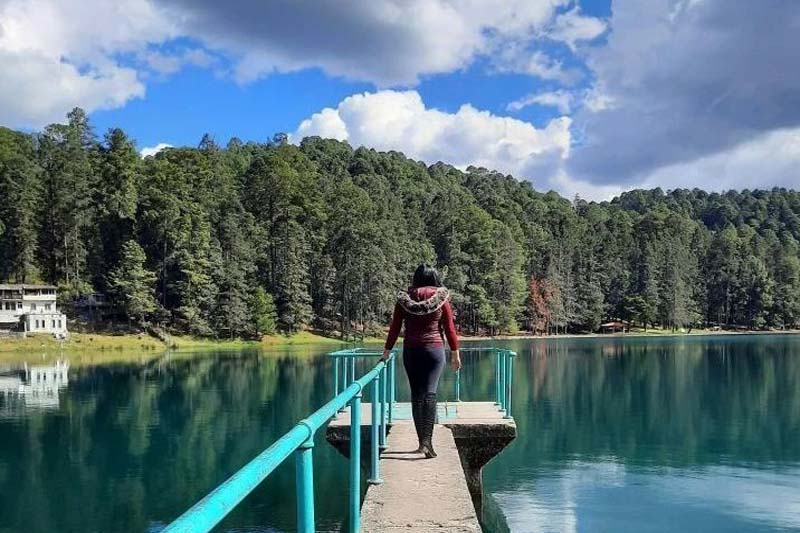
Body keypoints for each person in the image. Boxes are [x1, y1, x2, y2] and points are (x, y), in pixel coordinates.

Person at [381, 264, 461, 458]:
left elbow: (395, 327)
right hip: (434, 351)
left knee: (416, 395)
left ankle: (421, 443)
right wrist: (455, 353)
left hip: (411, 351)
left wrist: (386, 351)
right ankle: (429, 444)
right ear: (434, 277)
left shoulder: (404, 299)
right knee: (430, 393)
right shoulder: (441, 298)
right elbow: (449, 329)